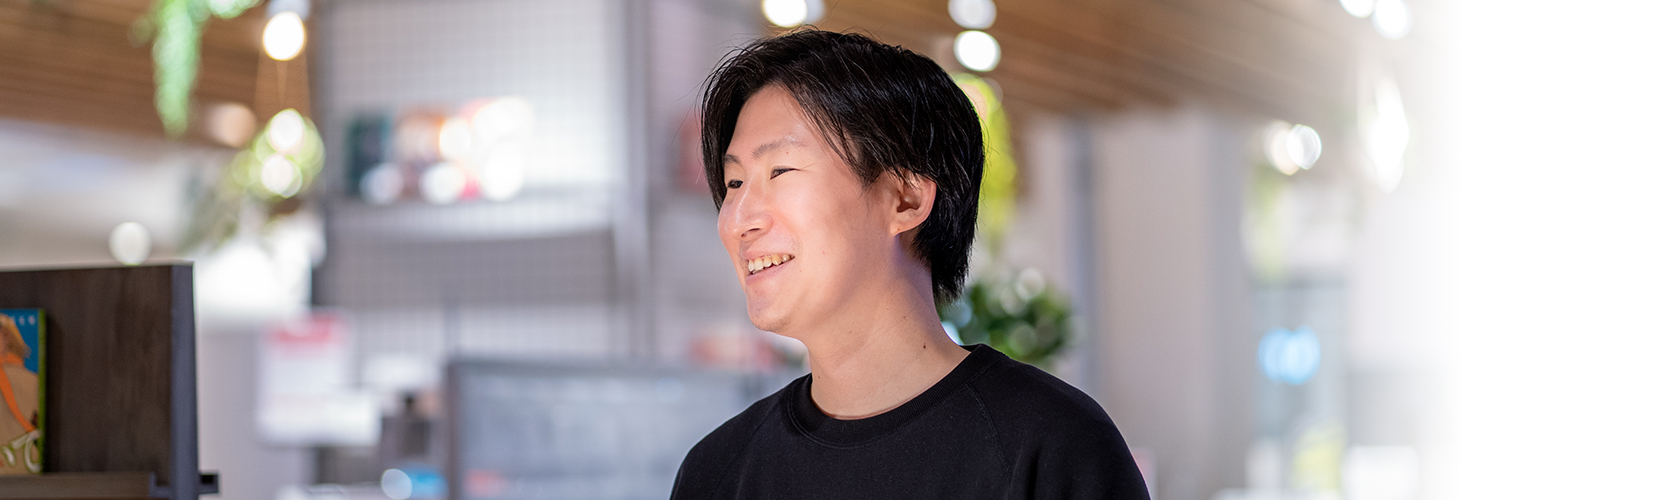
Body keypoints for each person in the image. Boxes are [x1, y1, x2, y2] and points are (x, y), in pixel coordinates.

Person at [669, 30, 1148, 499]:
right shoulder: (717, 472)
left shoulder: (1051, 448)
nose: (737, 220)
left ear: (905, 199)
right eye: (734, 184)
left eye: (780, 171)